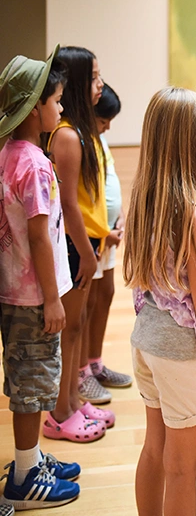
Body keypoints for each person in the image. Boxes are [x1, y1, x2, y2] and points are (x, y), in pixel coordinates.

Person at [124, 87, 196, 516]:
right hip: (180, 354)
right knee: (182, 469)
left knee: (154, 450)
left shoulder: (144, 198)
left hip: (145, 342)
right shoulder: (194, 214)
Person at [0, 48, 82, 510]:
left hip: (15, 291)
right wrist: (53, 299)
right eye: (55, 101)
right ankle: (25, 480)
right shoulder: (33, 163)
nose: (62, 108)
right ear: (35, 109)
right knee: (32, 386)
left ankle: (29, 460)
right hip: (33, 297)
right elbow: (38, 235)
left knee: (27, 380)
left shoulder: (10, 153)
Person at [44, 46, 113, 441]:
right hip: (75, 245)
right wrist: (86, 253)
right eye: (92, 78)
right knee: (68, 330)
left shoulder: (82, 131)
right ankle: (59, 411)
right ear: (71, 84)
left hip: (88, 245)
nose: (100, 85)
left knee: (77, 327)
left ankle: (72, 399)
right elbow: (67, 204)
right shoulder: (67, 134)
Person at [80, 83, 133, 407]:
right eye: (104, 121)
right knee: (85, 306)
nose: (108, 127)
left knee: (106, 294)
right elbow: (80, 200)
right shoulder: (78, 140)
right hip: (93, 236)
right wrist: (102, 233)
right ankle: (81, 372)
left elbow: (109, 183)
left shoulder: (99, 140)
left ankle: (95, 362)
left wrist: (121, 215)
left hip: (108, 234)